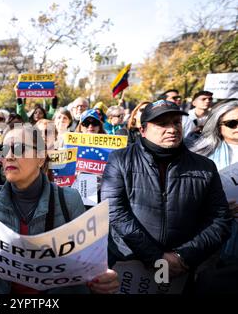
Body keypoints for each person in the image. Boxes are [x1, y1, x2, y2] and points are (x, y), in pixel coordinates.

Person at [0, 125, 119, 294]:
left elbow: (88, 267)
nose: (9, 156)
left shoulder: (69, 200)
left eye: (19, 148)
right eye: (4, 149)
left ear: (41, 158)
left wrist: (103, 281)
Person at [101, 100, 231, 287]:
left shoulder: (205, 167)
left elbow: (220, 220)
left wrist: (182, 256)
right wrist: (157, 258)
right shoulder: (120, 160)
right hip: (129, 264)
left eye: (176, 122)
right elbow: (114, 213)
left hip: (182, 270)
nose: (172, 129)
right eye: (162, 124)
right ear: (143, 130)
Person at [190, 101, 238, 284]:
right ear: (218, 126)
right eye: (232, 123)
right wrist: (219, 208)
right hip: (211, 237)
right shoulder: (200, 156)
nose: (237, 128)